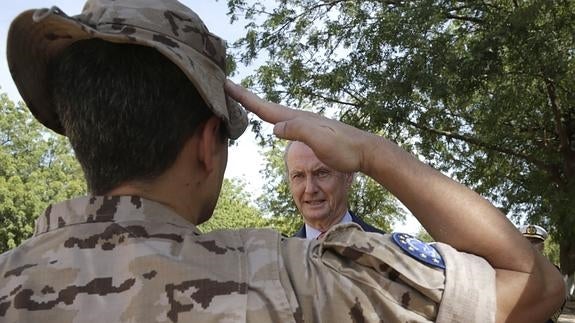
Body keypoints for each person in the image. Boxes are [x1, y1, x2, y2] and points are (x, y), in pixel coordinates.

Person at [0, 1, 565, 322]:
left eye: (322, 171)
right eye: (300, 175)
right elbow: (534, 284)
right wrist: (371, 149)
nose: (311, 187)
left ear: (81, 133)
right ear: (207, 144)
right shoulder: (300, 280)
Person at [285, 141, 385, 239]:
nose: (310, 189)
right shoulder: (279, 254)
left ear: (348, 175)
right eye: (298, 176)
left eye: (321, 173)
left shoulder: (389, 251)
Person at [519, 224, 565, 323]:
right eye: (527, 241)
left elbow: (559, 299)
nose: (531, 245)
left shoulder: (553, 271)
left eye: (535, 242)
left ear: (542, 246)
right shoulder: (510, 268)